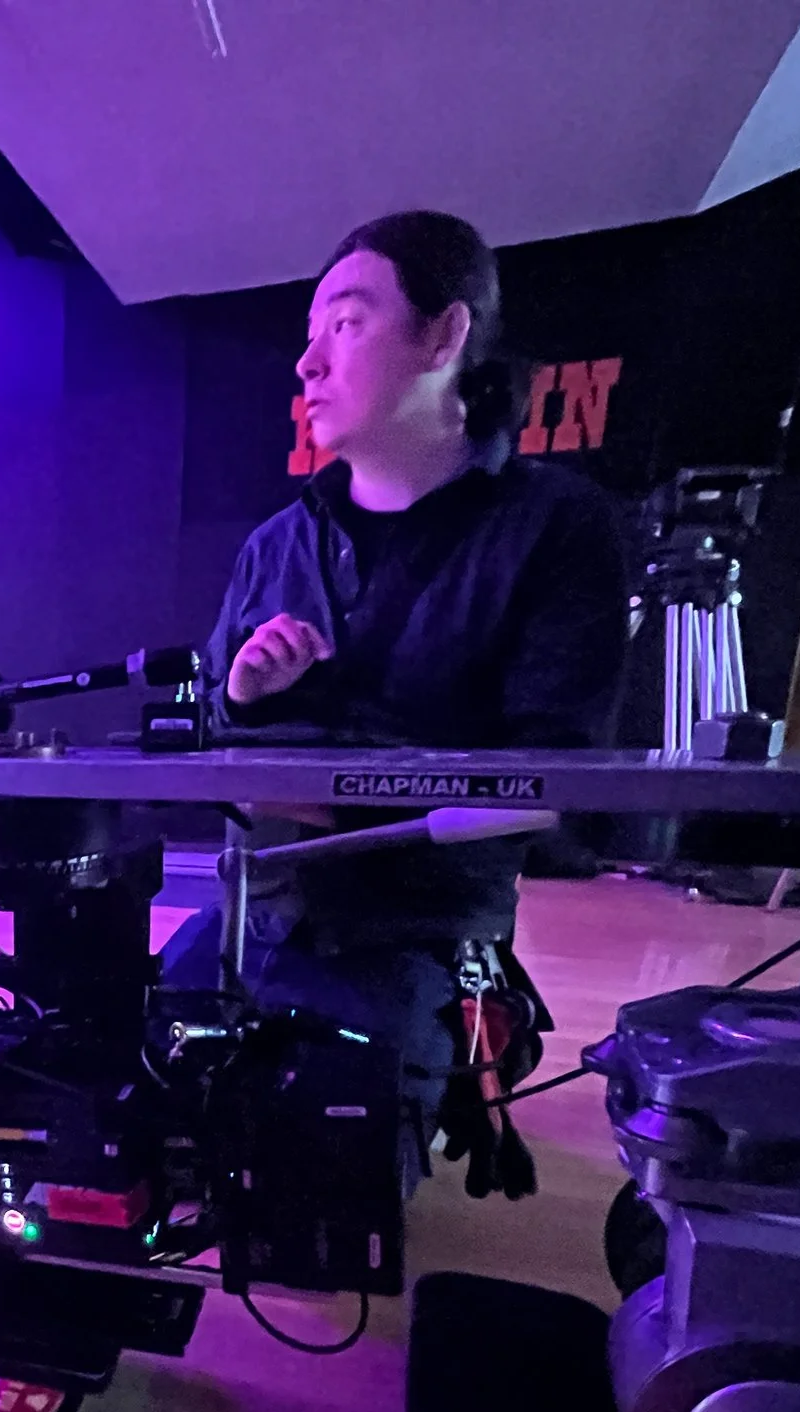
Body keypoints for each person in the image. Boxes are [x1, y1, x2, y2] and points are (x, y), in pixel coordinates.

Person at [160, 210, 631, 1185]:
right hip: (256, 915)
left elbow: (550, 786)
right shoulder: (275, 545)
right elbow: (204, 736)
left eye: (345, 323)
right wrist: (242, 699)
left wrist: (331, 804)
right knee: (119, 1124)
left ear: (445, 334)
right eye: (310, 336)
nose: (307, 364)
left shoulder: (558, 526)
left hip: (422, 936)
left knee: (323, 1189)